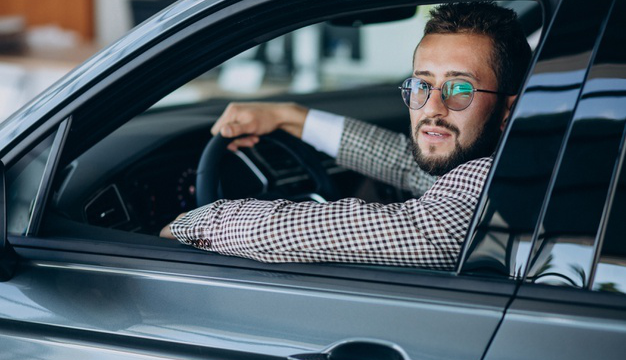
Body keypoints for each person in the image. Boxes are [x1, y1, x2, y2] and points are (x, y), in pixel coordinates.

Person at [160, 2, 532, 270]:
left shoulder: (491, 184)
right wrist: (289, 117)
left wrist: (193, 223)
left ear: (508, 109)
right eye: (422, 84)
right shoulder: (517, 164)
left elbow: (298, 232)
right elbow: (405, 164)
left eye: (460, 89)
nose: (432, 107)